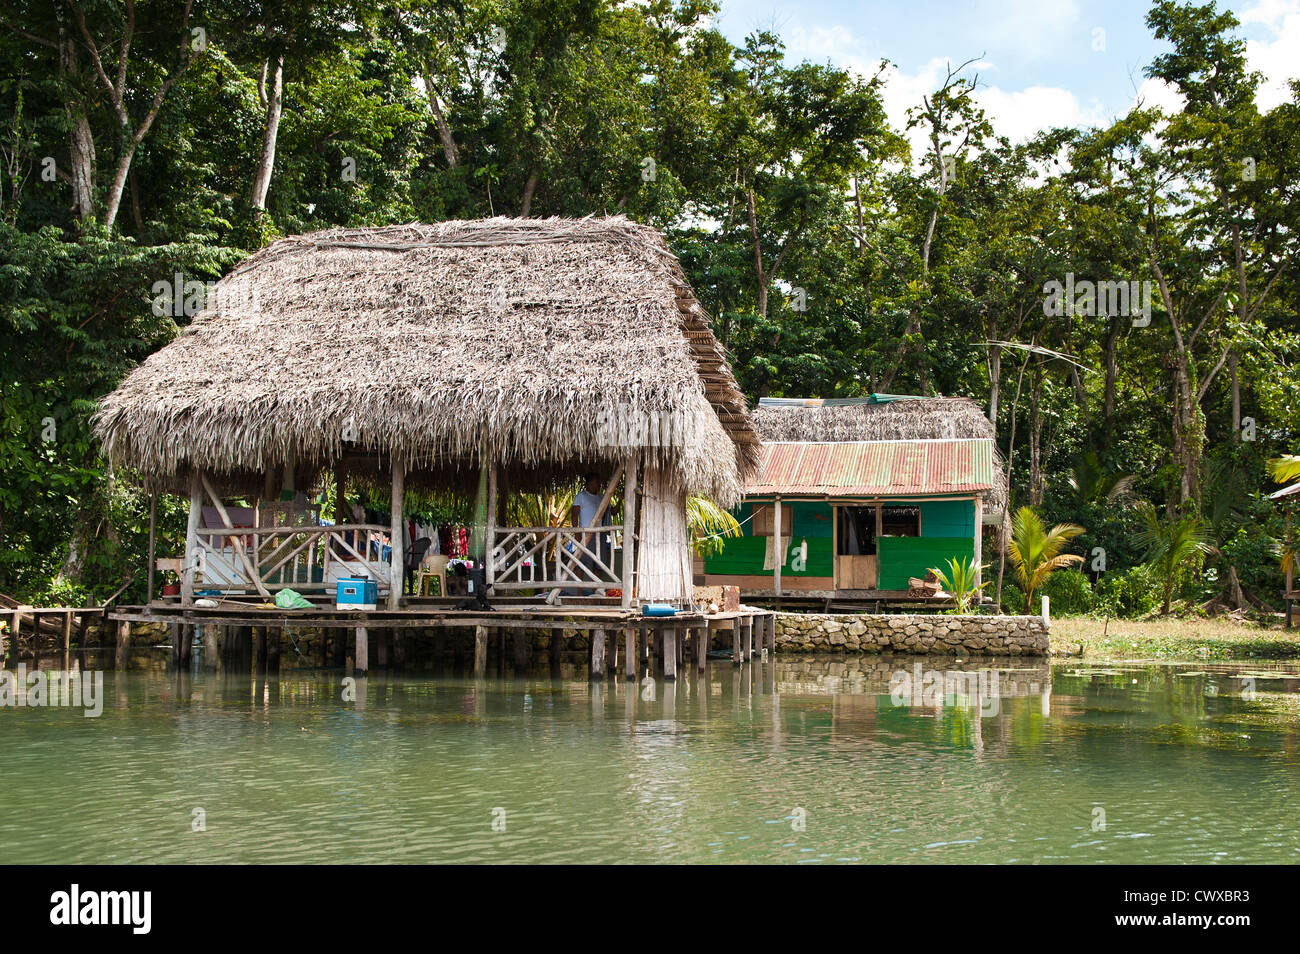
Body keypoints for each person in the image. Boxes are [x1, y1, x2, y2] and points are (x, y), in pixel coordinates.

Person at [568, 472, 612, 593]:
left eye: (599, 482)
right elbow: (574, 515)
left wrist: (620, 500)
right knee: (581, 563)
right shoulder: (581, 496)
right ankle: (580, 592)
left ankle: (595, 591)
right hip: (585, 534)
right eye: (596, 482)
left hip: (600, 534)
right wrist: (577, 532)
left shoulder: (602, 497)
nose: (599, 484)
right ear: (589, 483)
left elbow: (612, 511)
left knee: (599, 563)